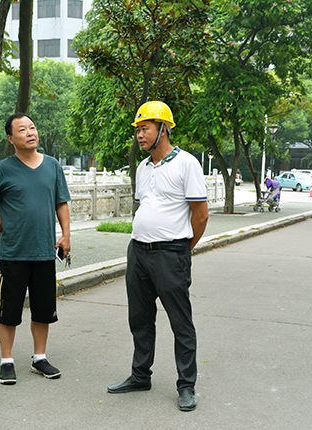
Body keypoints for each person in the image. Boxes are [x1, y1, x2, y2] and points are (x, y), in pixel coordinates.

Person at [107, 101, 209, 412]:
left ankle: (186, 385)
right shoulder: (143, 167)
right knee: (139, 318)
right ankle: (140, 375)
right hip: (138, 252)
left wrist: (183, 249)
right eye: (138, 129)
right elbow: (145, 206)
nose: (139, 135)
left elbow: (201, 215)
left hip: (170, 253)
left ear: (163, 129)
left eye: (145, 128)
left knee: (180, 321)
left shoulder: (187, 164)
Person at [0, 113, 71, 386]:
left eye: (32, 127)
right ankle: (7, 361)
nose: (30, 132)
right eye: (22, 130)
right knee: (8, 312)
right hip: (13, 253)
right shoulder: (3, 169)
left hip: (44, 252)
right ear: (11, 138)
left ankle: (40, 358)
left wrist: (66, 235)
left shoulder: (52, 166)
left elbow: (61, 202)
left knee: (43, 310)